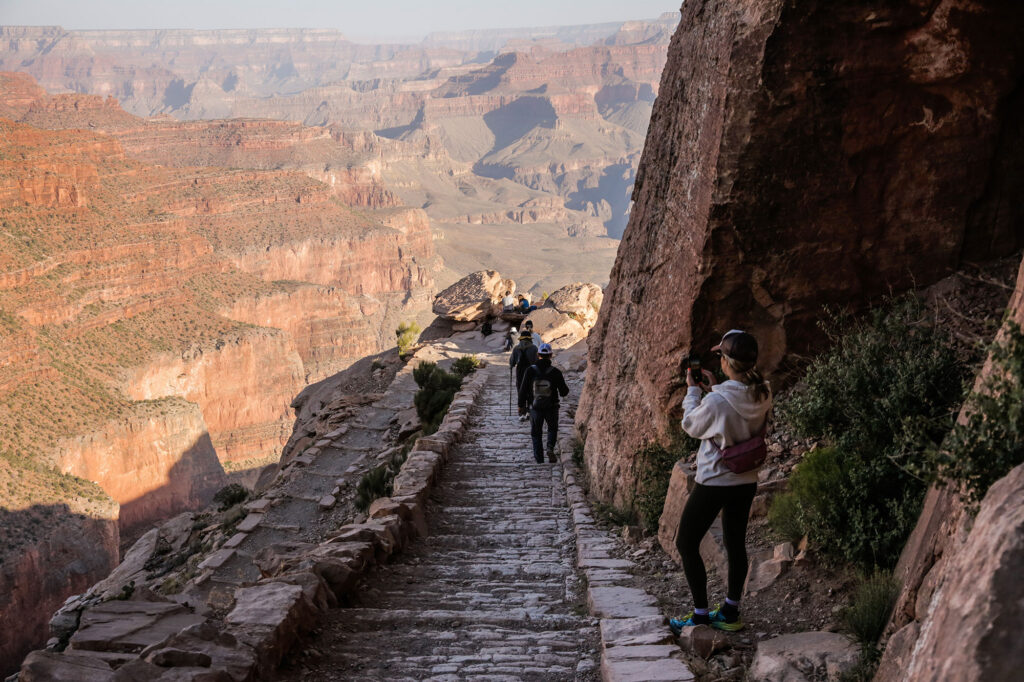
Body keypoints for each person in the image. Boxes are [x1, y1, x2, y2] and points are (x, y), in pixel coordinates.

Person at [670, 329, 772, 635]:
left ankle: (700, 615)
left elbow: (691, 425)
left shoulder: (717, 401)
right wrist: (717, 387)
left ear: (726, 361)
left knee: (686, 542)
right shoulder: (763, 391)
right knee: (735, 543)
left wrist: (693, 391)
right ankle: (730, 611)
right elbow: (737, 406)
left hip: (714, 481)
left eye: (721, 356)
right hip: (746, 479)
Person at [520, 343, 569, 463]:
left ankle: (539, 459)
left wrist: (521, 405)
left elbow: (523, 389)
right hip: (552, 406)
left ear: (538, 355)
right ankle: (550, 448)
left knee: (536, 433)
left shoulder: (530, 370)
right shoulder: (556, 372)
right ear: (551, 355)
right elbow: (564, 392)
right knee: (552, 429)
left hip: (535, 406)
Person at [509, 330, 538, 420]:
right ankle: (530, 410)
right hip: (531, 371)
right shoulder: (534, 348)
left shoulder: (516, 348)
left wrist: (511, 366)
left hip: (520, 372)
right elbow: (537, 361)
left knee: (520, 389)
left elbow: (512, 362)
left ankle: (522, 412)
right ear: (530, 339)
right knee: (529, 389)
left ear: (521, 339)